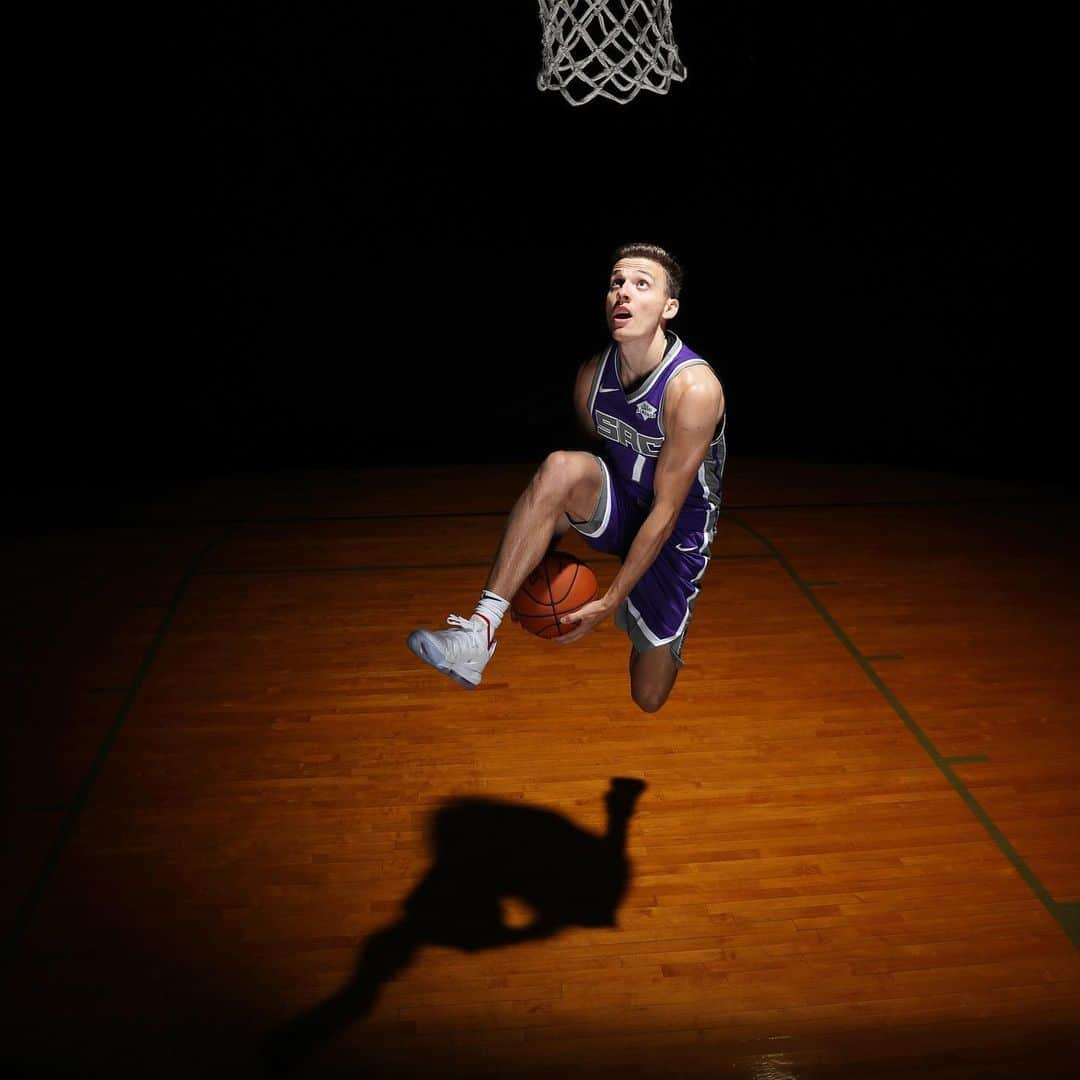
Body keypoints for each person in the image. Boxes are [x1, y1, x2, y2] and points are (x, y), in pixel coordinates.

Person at [407, 243, 726, 713]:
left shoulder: (694, 389)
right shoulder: (591, 378)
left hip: (675, 532)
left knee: (648, 696)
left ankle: (667, 629)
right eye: (617, 282)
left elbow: (667, 509)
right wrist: (526, 573)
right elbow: (573, 483)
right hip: (621, 503)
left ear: (668, 308)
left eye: (642, 284)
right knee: (559, 465)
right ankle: (480, 632)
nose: (624, 294)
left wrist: (608, 600)